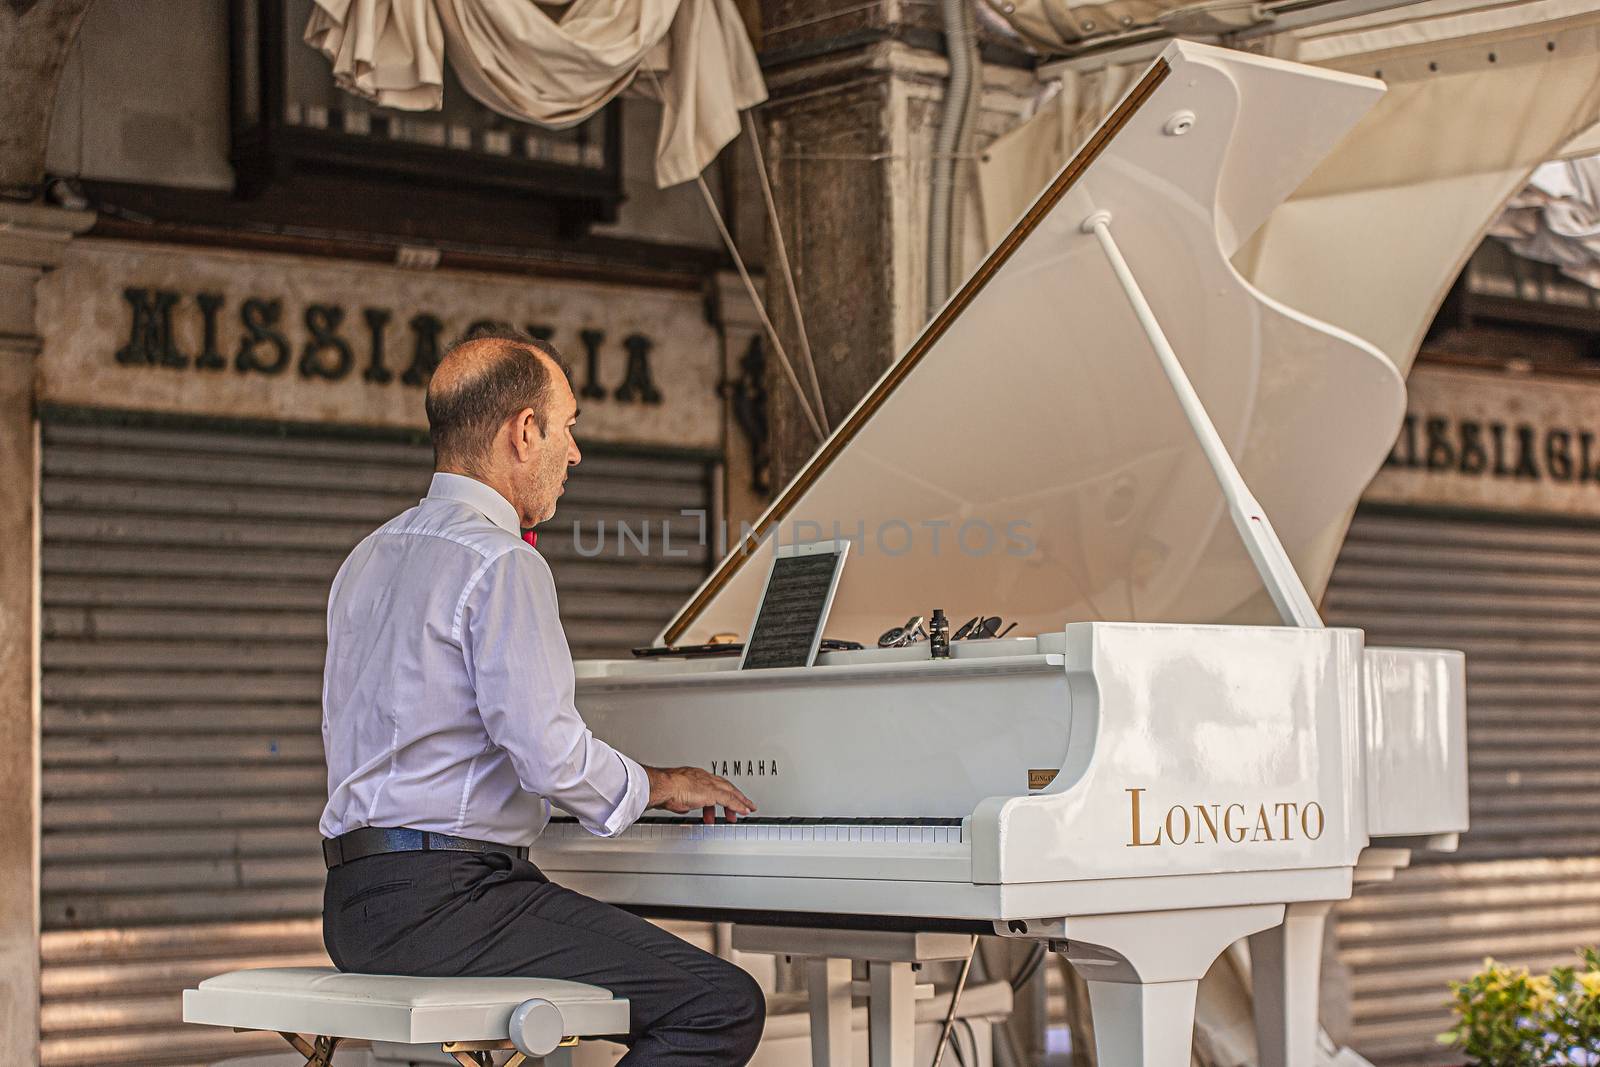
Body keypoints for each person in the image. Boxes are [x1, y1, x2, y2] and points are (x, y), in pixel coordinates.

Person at [318, 327, 765, 1066]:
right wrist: (661, 782)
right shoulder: (498, 561)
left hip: (355, 904)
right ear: (525, 431)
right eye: (570, 427)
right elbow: (551, 758)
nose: (576, 454)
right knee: (719, 1003)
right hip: (450, 901)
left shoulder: (367, 557)